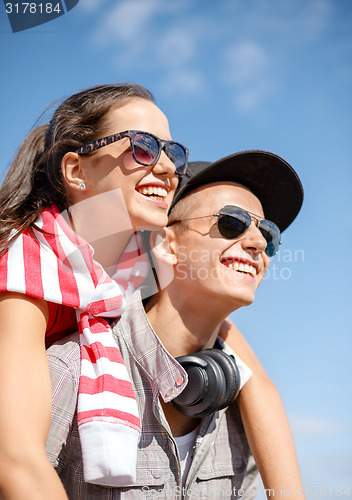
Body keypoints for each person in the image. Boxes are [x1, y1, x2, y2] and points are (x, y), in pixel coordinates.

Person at [46, 150, 305, 498]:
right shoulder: (68, 372)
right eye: (232, 222)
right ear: (167, 245)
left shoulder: (242, 416)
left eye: (269, 235)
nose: (258, 243)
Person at [0, 83, 189, 499]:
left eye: (173, 153)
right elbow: (15, 458)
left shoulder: (139, 263)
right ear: (75, 171)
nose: (167, 168)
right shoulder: (24, 261)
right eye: (142, 146)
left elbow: (252, 377)